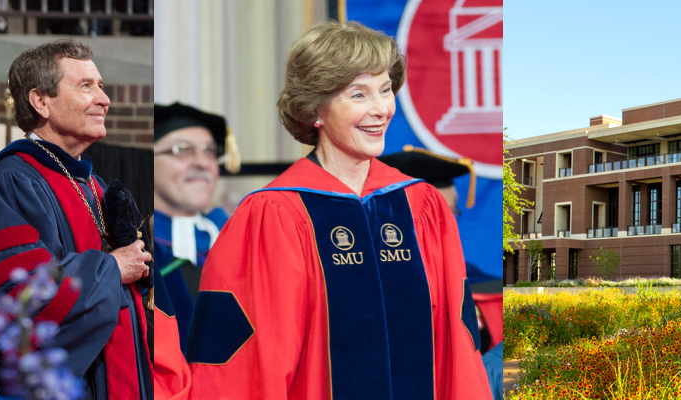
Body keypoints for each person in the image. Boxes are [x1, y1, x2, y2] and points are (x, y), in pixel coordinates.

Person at [182, 21, 493, 399]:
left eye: (385, 90)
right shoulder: (274, 214)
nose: (381, 109)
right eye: (359, 95)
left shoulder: (420, 205)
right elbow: (248, 364)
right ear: (316, 109)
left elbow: (457, 343)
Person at [0, 39, 186, 399]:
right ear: (41, 102)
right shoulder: (11, 182)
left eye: (101, 86)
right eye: (86, 86)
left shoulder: (90, 185)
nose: (104, 99)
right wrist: (110, 269)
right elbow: (16, 301)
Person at [150, 102, 234, 356]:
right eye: (182, 150)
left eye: (210, 151)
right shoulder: (138, 249)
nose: (202, 162)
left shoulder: (239, 242)